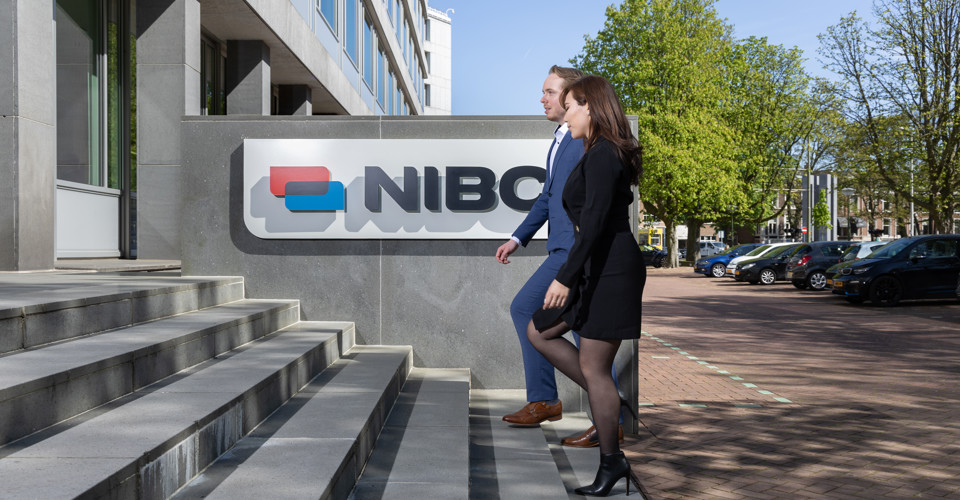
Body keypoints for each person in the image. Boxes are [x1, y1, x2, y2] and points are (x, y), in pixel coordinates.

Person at [528, 75, 645, 497]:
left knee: (594, 367)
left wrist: (564, 277)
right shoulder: (597, 152)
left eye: (572, 105)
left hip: (611, 268)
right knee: (539, 329)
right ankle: (607, 401)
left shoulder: (603, 155)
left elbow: (594, 223)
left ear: (591, 107)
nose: (567, 112)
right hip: (599, 264)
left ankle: (612, 462)